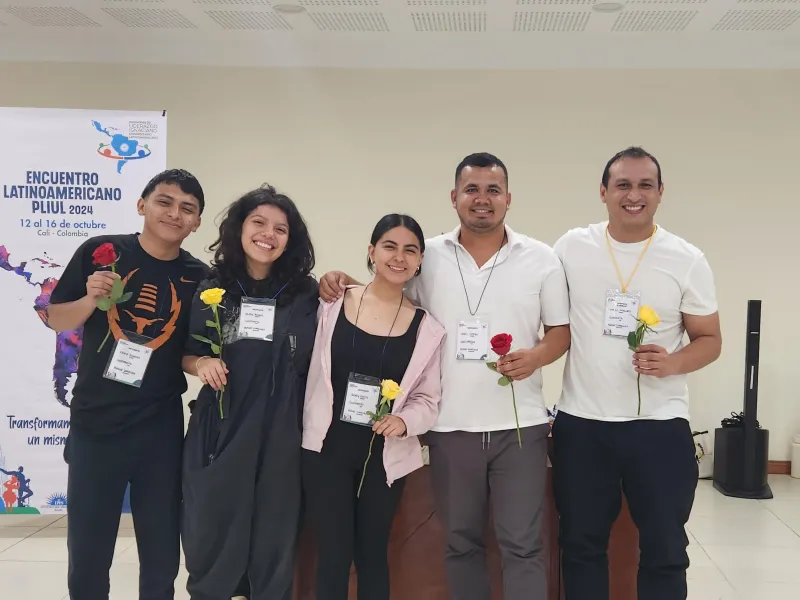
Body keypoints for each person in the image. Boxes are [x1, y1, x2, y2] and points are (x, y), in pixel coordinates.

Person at [320, 153, 571, 600]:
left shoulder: (542, 258)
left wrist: (536, 357)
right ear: (454, 197)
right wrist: (342, 282)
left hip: (520, 426)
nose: (482, 199)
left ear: (508, 199)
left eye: (493, 190)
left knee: (523, 545)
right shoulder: (427, 255)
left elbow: (560, 333)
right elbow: (387, 300)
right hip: (449, 427)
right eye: (472, 189)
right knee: (460, 543)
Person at [551, 146, 722, 600]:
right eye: (623, 184)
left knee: (665, 549)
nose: (634, 195)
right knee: (580, 546)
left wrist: (673, 363)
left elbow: (710, 339)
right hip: (583, 424)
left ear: (661, 192)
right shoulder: (571, 247)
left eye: (645, 185)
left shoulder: (686, 258)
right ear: (603, 192)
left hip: (659, 427)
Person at [47, 169, 208, 600]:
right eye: (164, 201)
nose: (174, 213)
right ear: (142, 205)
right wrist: (90, 298)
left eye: (187, 208)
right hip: (96, 423)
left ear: (196, 222)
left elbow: (193, 350)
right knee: (88, 547)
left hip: (160, 427)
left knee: (161, 549)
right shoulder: (102, 253)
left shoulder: (201, 278)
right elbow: (56, 319)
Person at [181, 184, 319, 600]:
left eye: (281, 228)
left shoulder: (304, 293)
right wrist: (200, 364)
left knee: (275, 527)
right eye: (259, 222)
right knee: (213, 523)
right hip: (224, 424)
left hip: (282, 426)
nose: (268, 234)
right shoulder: (212, 287)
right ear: (239, 228)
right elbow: (186, 351)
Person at [302, 214, 445, 600]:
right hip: (326, 450)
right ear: (372, 251)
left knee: (372, 556)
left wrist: (404, 420)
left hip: (384, 457)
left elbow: (428, 399)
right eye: (389, 246)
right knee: (333, 555)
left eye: (410, 250)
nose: (399, 257)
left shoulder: (428, 329)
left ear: (419, 261)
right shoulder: (332, 303)